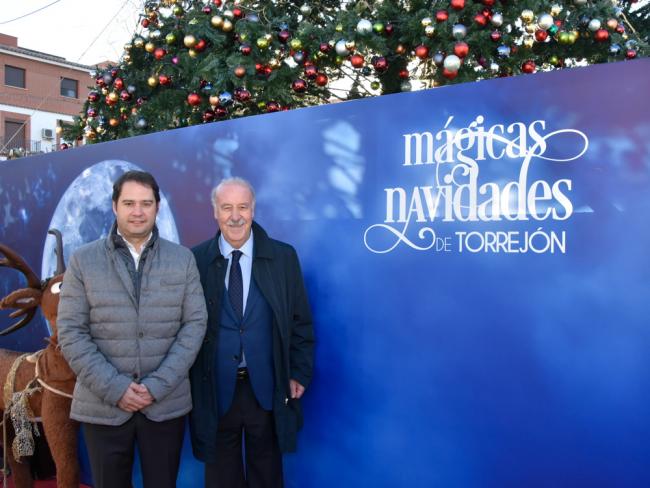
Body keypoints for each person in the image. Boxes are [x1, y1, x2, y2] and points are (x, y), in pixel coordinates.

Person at [57, 170, 207, 488]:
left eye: (146, 203)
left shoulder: (182, 260)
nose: (137, 211)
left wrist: (156, 386)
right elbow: (71, 331)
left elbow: (194, 325)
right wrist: (116, 388)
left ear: (157, 206)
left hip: (165, 404)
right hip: (103, 405)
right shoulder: (83, 261)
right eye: (129, 203)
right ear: (114, 206)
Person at [190, 177, 315, 487]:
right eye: (227, 207)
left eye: (243, 207)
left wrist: (298, 372)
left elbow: (300, 321)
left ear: (253, 210)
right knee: (221, 477)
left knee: (267, 474)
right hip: (214, 391)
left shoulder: (283, 257)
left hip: (267, 389)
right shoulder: (195, 260)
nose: (235, 216)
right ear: (215, 211)